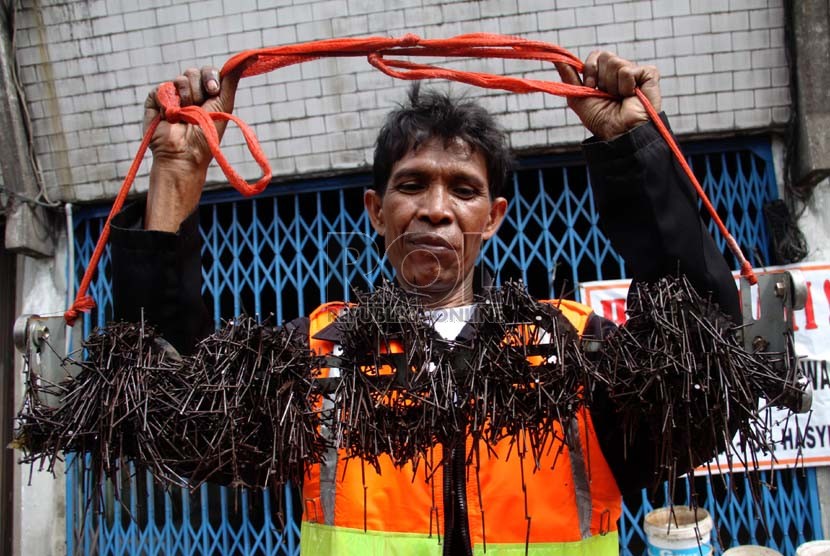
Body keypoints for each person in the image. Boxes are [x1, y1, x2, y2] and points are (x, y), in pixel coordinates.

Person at [110, 50, 740, 555]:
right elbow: (168, 417)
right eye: (411, 184)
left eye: (462, 189)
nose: (436, 209)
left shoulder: (576, 348)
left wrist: (636, 153)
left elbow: (704, 384)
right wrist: (174, 172)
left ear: (492, 218)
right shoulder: (317, 355)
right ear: (376, 211)